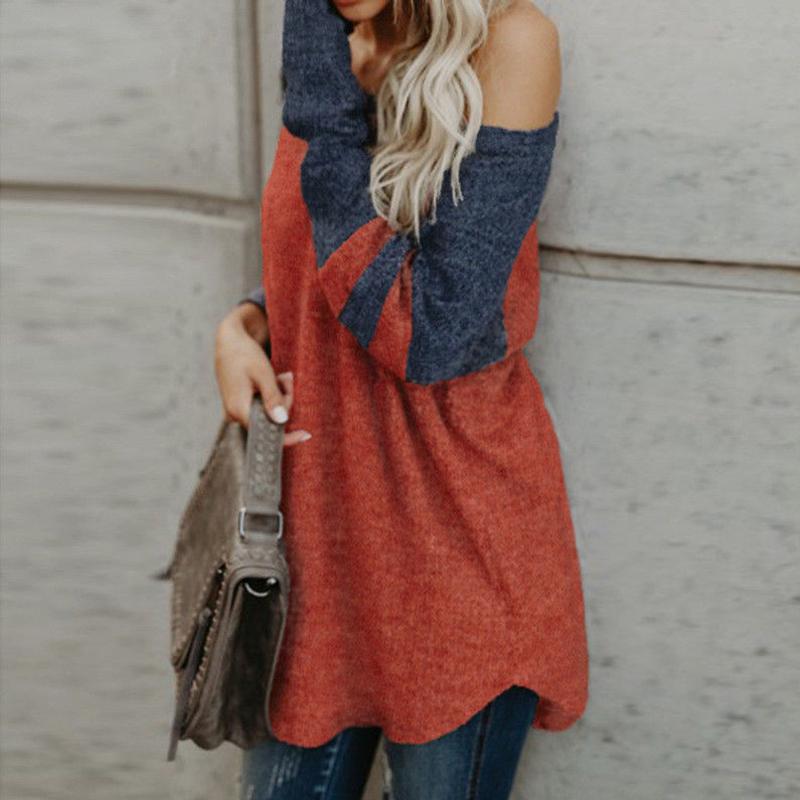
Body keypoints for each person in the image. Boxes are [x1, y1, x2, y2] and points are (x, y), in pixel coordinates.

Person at [214, 1, 589, 797]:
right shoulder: (340, 44)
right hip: (319, 547)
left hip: (454, 546)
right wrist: (243, 325)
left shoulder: (512, 45)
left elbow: (430, 334)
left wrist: (321, 100)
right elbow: (319, 251)